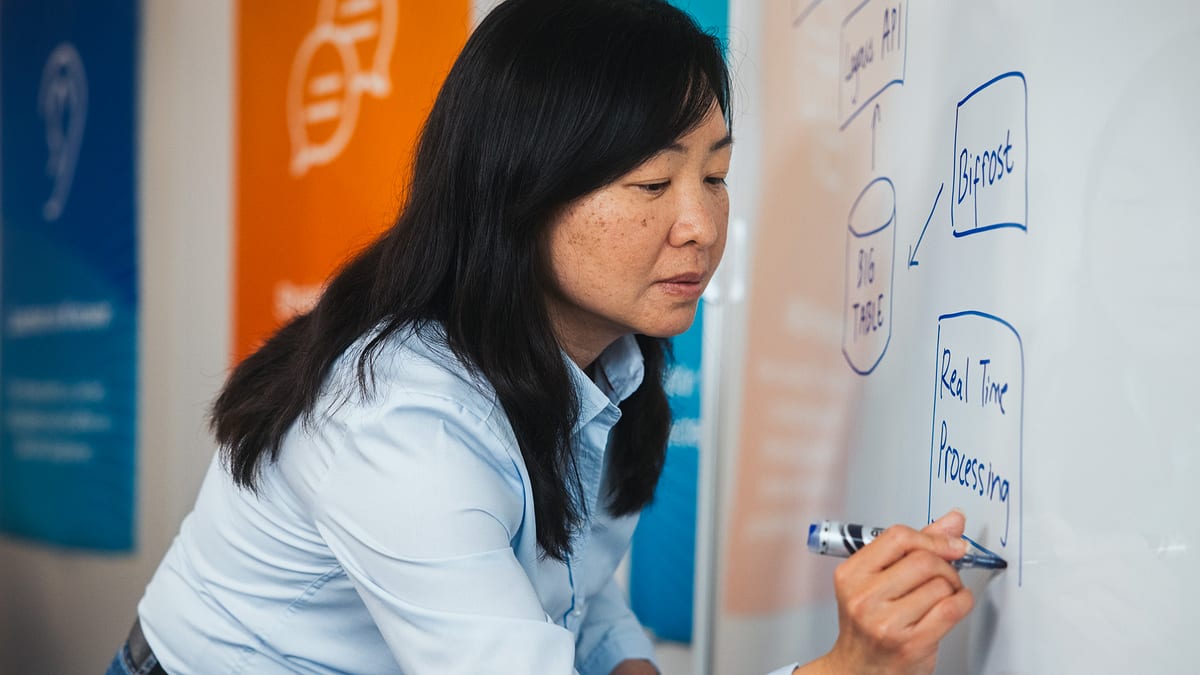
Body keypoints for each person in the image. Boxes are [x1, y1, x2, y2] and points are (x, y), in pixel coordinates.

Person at [107, 0, 973, 673]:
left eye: (715, 175)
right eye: (651, 183)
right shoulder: (396, 414)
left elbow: (580, 598)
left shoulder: (605, 359)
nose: (702, 225)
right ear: (525, 190)